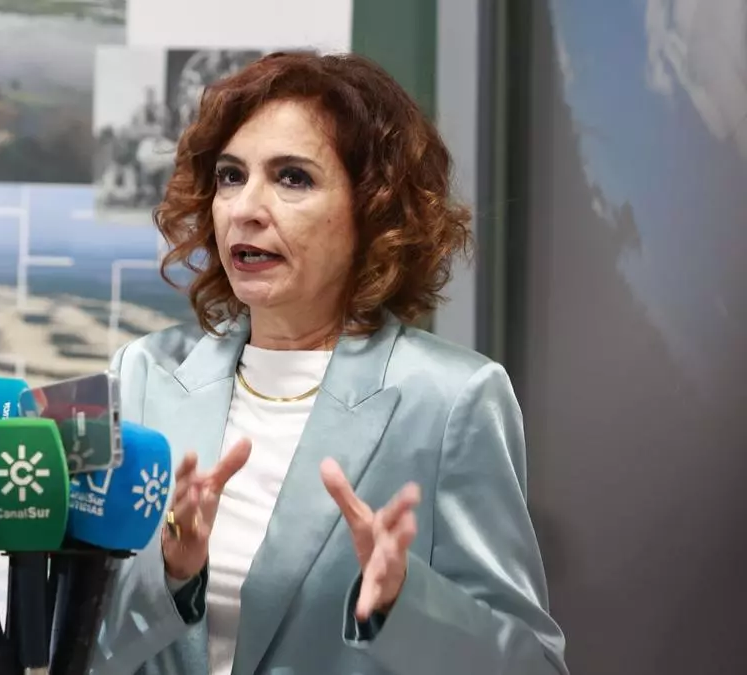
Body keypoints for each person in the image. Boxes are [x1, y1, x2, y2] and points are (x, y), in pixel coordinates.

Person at [93, 52, 568, 675]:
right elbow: (79, 645)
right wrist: (173, 575)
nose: (245, 208)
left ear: (372, 211)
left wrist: (404, 607)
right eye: (231, 176)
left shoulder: (452, 399)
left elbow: (532, 665)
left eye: (292, 178)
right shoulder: (142, 375)